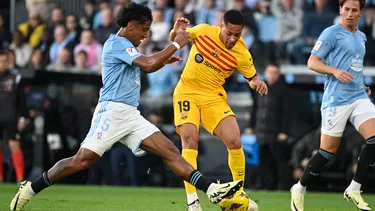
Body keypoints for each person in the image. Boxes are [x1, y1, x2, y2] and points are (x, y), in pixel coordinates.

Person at [9, 3, 243, 211]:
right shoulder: (115, 44)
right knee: (81, 160)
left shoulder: (127, 46)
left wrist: (164, 58)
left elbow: (148, 63)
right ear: (131, 26)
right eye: (144, 29)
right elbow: (149, 64)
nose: (145, 35)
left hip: (130, 114)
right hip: (111, 111)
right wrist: (174, 45)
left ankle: (211, 190)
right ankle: (31, 188)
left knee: (170, 152)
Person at [169, 9, 268, 211]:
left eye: (237, 35)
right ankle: (192, 201)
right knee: (190, 139)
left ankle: (240, 194)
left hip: (213, 96)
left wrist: (257, 82)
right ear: (221, 26)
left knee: (234, 140)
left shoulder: (241, 51)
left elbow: (252, 76)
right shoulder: (204, 31)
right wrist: (174, 32)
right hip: (187, 91)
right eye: (229, 33)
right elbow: (177, 39)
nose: (232, 39)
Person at [290, 0, 373, 211]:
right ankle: (299, 188)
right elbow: (312, 62)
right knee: (327, 152)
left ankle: (354, 188)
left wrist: (362, 85)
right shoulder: (331, 33)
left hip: (358, 97)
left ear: (360, 13)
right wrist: (334, 71)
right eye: (347, 9)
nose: (350, 14)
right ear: (340, 10)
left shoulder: (361, 36)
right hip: (336, 100)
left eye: (354, 10)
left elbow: (354, 66)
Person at [0, 50, 27, 183]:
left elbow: (22, 99)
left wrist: (23, 117)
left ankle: (20, 178)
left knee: (14, 145)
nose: (2, 64)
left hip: (11, 116)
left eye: (5, 61)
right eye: (0, 61)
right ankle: (0, 177)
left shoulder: (15, 78)